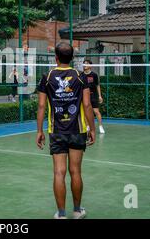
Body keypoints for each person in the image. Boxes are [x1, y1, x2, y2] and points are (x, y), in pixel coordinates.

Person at [36, 42, 95, 219]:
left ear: (56, 58)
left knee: (59, 172)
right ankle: (77, 211)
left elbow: (40, 105)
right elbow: (87, 104)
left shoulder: (47, 77)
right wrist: (92, 128)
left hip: (57, 131)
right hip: (78, 130)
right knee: (75, 171)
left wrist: (39, 131)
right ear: (72, 58)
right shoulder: (79, 76)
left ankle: (61, 214)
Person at [80, 60, 105, 134]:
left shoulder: (94, 75)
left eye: (87, 64)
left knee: (96, 111)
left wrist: (100, 96)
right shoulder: (81, 75)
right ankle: (87, 126)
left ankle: (100, 126)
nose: (85, 65)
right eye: (84, 63)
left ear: (90, 66)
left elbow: (97, 85)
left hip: (93, 95)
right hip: (84, 96)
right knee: (85, 112)